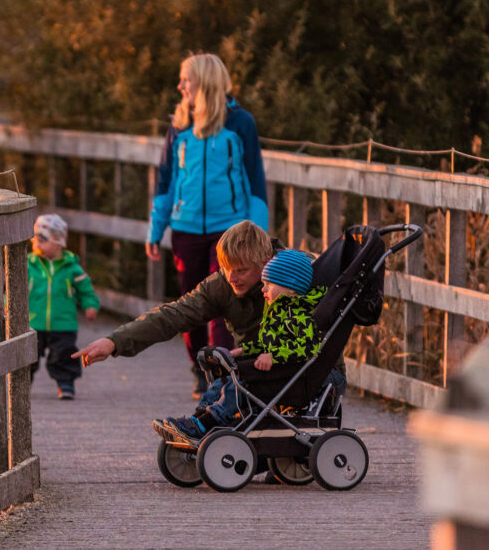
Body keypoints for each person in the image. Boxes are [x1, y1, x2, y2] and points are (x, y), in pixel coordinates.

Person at [146, 52, 269, 397]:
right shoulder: (179, 126)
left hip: (228, 230)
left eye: (186, 79)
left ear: (205, 81)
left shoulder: (240, 123)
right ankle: (200, 369)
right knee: (191, 303)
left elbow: (255, 180)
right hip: (185, 228)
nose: (180, 85)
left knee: (224, 300)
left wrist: (258, 238)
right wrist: (156, 229)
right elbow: (166, 181)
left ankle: (222, 372)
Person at [153, 248, 338, 440]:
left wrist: (274, 357)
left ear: (291, 288)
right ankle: (199, 418)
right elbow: (267, 342)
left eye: (269, 284)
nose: (263, 289)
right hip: (274, 373)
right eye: (263, 284)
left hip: (285, 377)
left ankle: (206, 423)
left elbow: (306, 348)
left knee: (237, 384)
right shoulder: (278, 312)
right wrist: (242, 351)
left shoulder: (299, 316)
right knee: (222, 381)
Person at [73, 221, 273, 386]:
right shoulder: (221, 285)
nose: (231, 278)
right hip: (252, 366)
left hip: (286, 366)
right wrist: (114, 341)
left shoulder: (296, 276)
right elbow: (174, 315)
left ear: (265, 261)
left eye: (241, 271)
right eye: (226, 268)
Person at [28, 213, 100, 400]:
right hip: (33, 321)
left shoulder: (71, 268)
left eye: (42, 240)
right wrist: (6, 305)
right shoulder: (29, 265)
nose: (36, 245)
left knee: (64, 355)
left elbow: (85, 290)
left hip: (63, 323)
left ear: (58, 242)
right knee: (27, 357)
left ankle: (66, 383)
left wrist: (90, 305)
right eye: (35, 240)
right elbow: (13, 290)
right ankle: (21, 387)